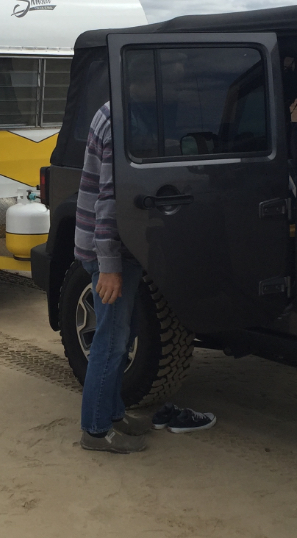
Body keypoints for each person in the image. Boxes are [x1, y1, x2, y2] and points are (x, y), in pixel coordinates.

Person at [74, 101, 214, 454]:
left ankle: (114, 414)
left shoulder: (134, 114)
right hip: (110, 250)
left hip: (125, 248)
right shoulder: (116, 120)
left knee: (126, 332)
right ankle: (95, 429)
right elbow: (109, 197)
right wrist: (108, 265)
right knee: (110, 341)